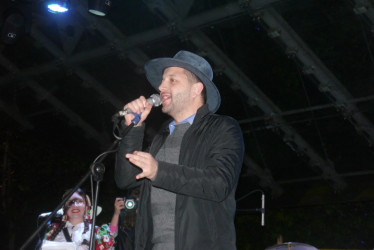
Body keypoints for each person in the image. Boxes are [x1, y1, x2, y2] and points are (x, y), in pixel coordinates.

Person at [115, 50, 244, 249]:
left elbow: (219, 183)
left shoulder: (222, 128)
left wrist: (159, 171)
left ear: (196, 89)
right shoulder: (161, 137)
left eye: (172, 80)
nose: (160, 87)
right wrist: (134, 128)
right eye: (162, 80)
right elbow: (125, 179)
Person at [39, 188, 124, 250]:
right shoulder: (52, 231)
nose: (75, 205)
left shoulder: (95, 231)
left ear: (86, 207)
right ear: (64, 208)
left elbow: (111, 234)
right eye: (70, 202)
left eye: (79, 201)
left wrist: (116, 213)